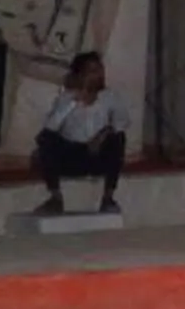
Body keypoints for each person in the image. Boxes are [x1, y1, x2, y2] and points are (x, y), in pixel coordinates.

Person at [33, 50, 127, 215]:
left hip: (98, 153)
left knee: (118, 139)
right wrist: (75, 100)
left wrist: (103, 134)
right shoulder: (66, 98)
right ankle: (55, 199)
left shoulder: (111, 97)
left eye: (100, 70)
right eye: (92, 71)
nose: (98, 75)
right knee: (45, 140)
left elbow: (121, 123)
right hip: (71, 154)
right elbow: (50, 127)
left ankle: (108, 198)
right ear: (79, 74)